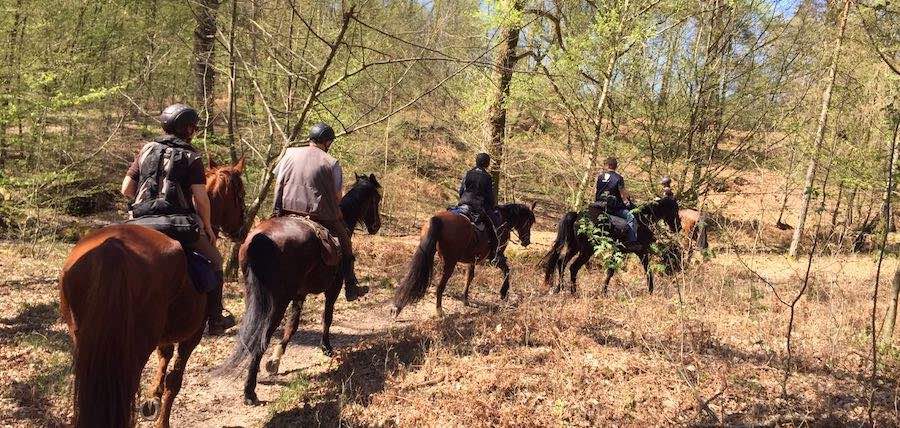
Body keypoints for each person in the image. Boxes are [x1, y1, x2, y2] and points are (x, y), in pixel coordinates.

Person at [121, 103, 235, 335]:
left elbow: (126, 189)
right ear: (188, 129)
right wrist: (207, 227)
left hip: (140, 222)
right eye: (193, 128)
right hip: (176, 225)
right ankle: (215, 318)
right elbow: (201, 199)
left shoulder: (145, 150)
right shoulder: (192, 156)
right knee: (215, 260)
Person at [272, 123, 369, 301]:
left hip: (284, 210)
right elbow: (337, 197)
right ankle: (350, 286)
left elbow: (277, 179)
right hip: (318, 214)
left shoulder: (289, 153)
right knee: (346, 241)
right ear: (327, 141)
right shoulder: (331, 163)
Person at [458, 153, 499, 263]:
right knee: (494, 225)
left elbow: (461, 190)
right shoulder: (487, 177)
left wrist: (463, 200)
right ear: (487, 163)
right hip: (478, 206)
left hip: (463, 204)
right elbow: (489, 196)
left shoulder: (468, 173)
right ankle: (494, 253)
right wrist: (492, 206)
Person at [594, 156, 639, 250]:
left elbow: (597, 191)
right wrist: (628, 203)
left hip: (598, 205)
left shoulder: (600, 176)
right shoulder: (618, 178)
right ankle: (631, 242)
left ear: (608, 165)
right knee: (631, 218)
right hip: (613, 208)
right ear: (615, 166)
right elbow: (623, 195)